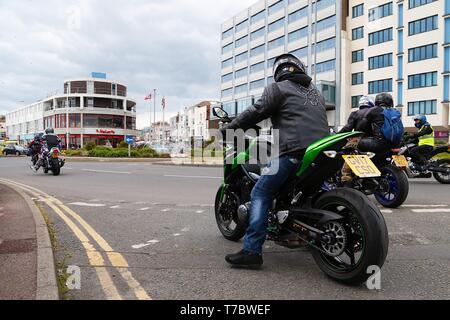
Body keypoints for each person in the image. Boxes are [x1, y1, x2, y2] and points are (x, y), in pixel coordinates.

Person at [221, 53, 329, 269]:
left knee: (260, 192)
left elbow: (256, 111)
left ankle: (251, 251)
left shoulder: (278, 89)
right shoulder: (317, 94)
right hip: (321, 153)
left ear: (279, 72)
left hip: (293, 152)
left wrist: (229, 128)